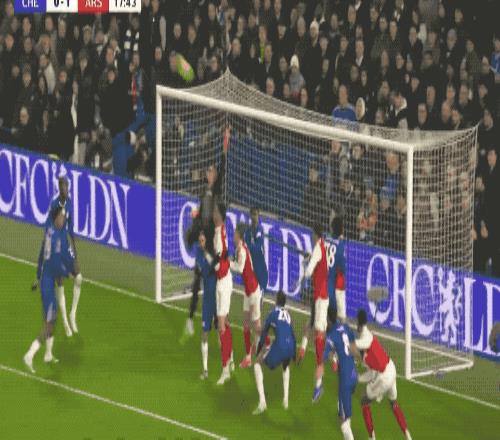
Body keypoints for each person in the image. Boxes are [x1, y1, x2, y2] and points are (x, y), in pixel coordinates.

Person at [184, 133, 227, 336]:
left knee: (214, 282)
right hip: (203, 242)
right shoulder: (204, 193)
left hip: (211, 244)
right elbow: (202, 215)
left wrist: (225, 145)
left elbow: (223, 169)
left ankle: (217, 320)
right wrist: (196, 219)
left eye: (211, 171)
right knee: (197, 281)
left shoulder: (215, 190)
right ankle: (191, 318)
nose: (209, 173)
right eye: (208, 170)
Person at [24, 207, 71, 373]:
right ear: (55, 217)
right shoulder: (57, 236)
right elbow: (55, 264)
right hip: (48, 285)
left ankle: (48, 355)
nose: (63, 219)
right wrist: (66, 272)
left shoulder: (49, 231)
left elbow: (41, 256)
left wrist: (37, 276)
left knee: (52, 318)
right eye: (62, 216)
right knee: (49, 324)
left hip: (45, 281)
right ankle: (30, 354)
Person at [353, 309, 412, 440]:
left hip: (384, 376)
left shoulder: (365, 342)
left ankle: (371, 438)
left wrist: (357, 378)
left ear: (359, 324)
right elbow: (371, 371)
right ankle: (408, 436)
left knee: (364, 401)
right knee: (393, 403)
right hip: (391, 368)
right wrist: (359, 378)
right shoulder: (368, 338)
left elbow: (371, 374)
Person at [46, 176, 82, 337]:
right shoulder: (54, 205)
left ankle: (72, 314)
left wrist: (75, 250)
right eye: (62, 187)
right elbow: (49, 228)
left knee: (79, 277)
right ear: (59, 189)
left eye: (66, 187)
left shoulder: (70, 203)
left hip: (66, 247)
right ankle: (66, 324)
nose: (65, 190)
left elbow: (71, 228)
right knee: (60, 285)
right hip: (56, 248)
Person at [314, 307, 357, 440]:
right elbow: (353, 347)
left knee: (343, 422)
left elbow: (321, 364)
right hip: (353, 374)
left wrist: (317, 387)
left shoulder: (331, 336)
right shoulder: (346, 327)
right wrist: (339, 358)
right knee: (343, 412)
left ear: (328, 320)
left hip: (345, 381)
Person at [252, 291, 296, 415]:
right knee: (285, 366)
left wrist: (258, 351)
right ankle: (285, 400)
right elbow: (292, 335)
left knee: (257, 364)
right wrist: (294, 355)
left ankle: (262, 403)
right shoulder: (288, 315)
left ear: (276, 300)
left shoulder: (273, 314)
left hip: (281, 346)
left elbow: (264, 334)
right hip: (290, 346)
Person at [297, 225, 329, 394]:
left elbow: (309, 272)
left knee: (319, 334)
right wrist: (310, 259)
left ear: (316, 235)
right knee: (313, 325)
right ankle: (303, 349)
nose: (310, 237)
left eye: (312, 235)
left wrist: (305, 268)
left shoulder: (318, 248)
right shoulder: (322, 246)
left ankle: (319, 382)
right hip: (320, 295)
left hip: (321, 297)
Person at [230, 224, 262, 369]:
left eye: (235, 233)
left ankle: (266, 344)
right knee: (246, 324)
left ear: (239, 235)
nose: (233, 235)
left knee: (256, 325)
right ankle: (248, 357)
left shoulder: (242, 250)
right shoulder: (239, 249)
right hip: (248, 291)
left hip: (254, 292)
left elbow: (240, 268)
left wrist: (228, 263)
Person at [213, 202, 234, 385]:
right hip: (222, 281)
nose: (213, 214)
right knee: (225, 322)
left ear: (220, 215)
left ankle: (225, 370)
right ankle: (231, 356)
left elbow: (220, 262)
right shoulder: (220, 230)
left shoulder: (220, 235)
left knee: (221, 326)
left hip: (224, 282)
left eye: (215, 211)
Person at [196, 230, 217, 380]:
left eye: (202, 241)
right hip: (207, 301)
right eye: (199, 241)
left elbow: (216, 267)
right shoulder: (199, 254)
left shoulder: (213, 253)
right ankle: (205, 370)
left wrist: (208, 256)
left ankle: (229, 362)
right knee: (204, 334)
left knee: (222, 331)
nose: (200, 243)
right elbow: (202, 271)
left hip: (217, 297)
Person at [243, 207, 269, 294]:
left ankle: (261, 294)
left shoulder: (259, 229)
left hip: (258, 259)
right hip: (251, 259)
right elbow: (246, 243)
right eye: (253, 215)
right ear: (250, 216)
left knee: (260, 282)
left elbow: (258, 245)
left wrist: (250, 247)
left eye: (256, 215)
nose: (254, 217)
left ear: (258, 216)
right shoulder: (248, 230)